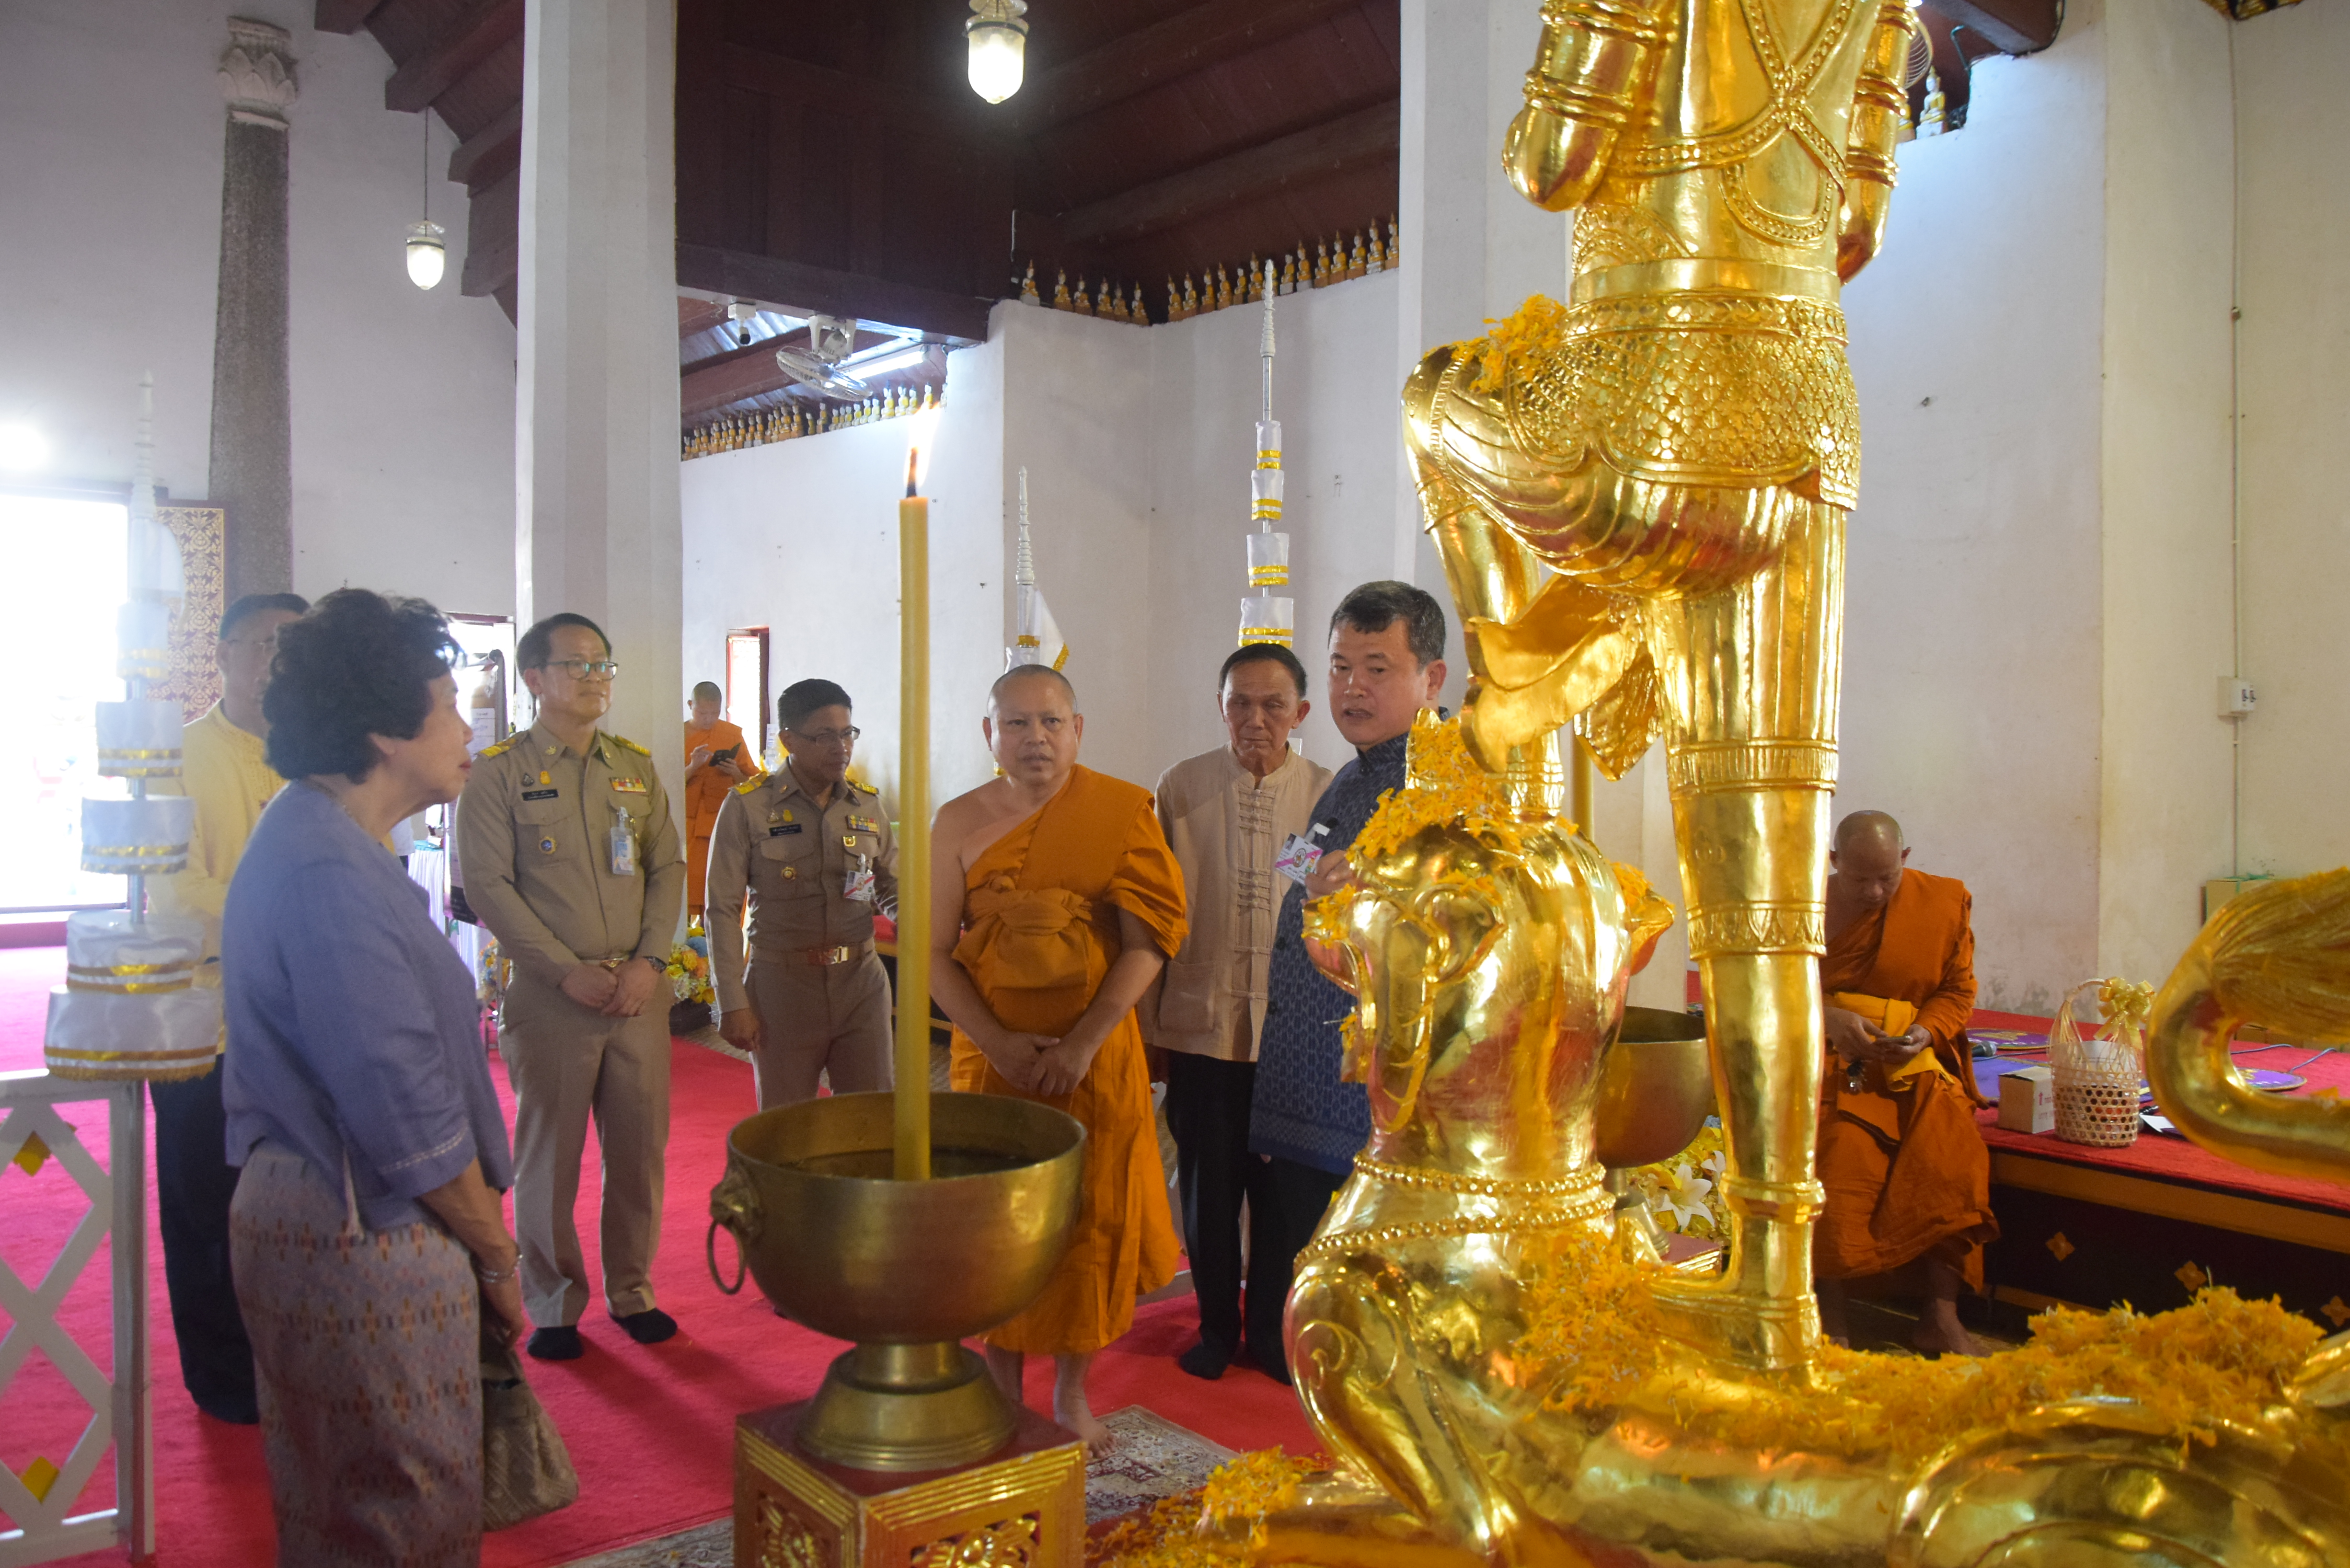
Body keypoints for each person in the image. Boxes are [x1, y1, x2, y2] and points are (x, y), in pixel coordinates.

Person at [221, 589, 524, 1564]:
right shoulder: (324, 865)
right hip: (362, 1228)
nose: (466, 722)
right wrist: (498, 1256)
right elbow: (404, 1108)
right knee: (403, 1508)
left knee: (352, 1502)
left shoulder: (329, 837)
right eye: (446, 700)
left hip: (340, 1215)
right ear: (385, 730)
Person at [931, 664, 1187, 1448]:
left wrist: (1083, 1043)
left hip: (1095, 1055)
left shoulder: (1116, 812)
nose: (1035, 739)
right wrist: (1000, 1045)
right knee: (997, 1226)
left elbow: (1148, 948)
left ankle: (1073, 1395)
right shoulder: (958, 822)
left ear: (1079, 730)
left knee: (1090, 1221)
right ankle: (1003, 1389)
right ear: (990, 736)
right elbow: (936, 954)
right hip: (993, 1058)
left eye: (1050, 722)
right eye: (1016, 724)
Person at [456, 613, 686, 1361]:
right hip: (554, 995)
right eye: (577, 665)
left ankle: (633, 1289)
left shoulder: (635, 767)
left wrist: (652, 961)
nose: (595, 678)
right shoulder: (499, 774)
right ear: (534, 678)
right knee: (550, 1155)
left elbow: (668, 870)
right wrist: (564, 969)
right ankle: (553, 1300)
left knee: (639, 1148)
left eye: (603, 666)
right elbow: (488, 886)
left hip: (638, 993)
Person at [1248, 581, 1447, 1385]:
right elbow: (1308, 869)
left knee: (1349, 1243)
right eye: (1339, 667)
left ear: (1432, 680)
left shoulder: (1441, 788)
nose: (1353, 687)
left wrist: (1369, 892)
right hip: (1303, 1052)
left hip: (1361, 1074)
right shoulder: (1354, 775)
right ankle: (1283, 1353)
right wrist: (1316, 867)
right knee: (1290, 1222)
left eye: (1377, 668)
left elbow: (1450, 917)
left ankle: (1338, 1375)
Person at [143, 591, 305, 1425]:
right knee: (208, 1205)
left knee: (297, 1202)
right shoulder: (177, 755)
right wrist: (291, 913)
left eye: (296, 643)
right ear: (226, 654)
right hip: (201, 1024)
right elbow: (174, 896)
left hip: (304, 1023)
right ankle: (223, 1377)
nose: (281, 657)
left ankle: (296, 1360)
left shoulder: (319, 752)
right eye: (267, 641)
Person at [1149, 644, 1331, 1380]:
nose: (1255, 720)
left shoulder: (1327, 795)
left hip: (1294, 1034)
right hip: (1202, 1026)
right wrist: (1148, 1032)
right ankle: (1217, 1330)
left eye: (1272, 705)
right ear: (1220, 706)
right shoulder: (1181, 787)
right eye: (1240, 704)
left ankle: (1270, 1336)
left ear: (1301, 713)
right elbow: (1154, 917)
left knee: (1286, 1197)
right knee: (1208, 1186)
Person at [1814, 810, 1998, 1357]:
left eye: (1886, 878)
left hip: (1908, 1061)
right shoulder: (1802, 910)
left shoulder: (1939, 903)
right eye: (1857, 879)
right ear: (1831, 863)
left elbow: (1956, 991)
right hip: (1827, 1059)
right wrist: (1828, 1018)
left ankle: (1939, 1316)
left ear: (1905, 860)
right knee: (1840, 1151)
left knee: (1952, 1148)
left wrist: (1924, 1032)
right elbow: (1768, 988)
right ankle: (1828, 1312)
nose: (1873, 892)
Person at [707, 678, 896, 1106]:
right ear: (788, 739)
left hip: (860, 984)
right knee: (786, 1130)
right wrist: (731, 1000)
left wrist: (921, 926)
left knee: (870, 1121)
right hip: (783, 990)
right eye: (824, 736)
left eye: (848, 733)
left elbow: (892, 886)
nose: (841, 747)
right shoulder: (749, 806)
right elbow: (722, 909)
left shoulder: (867, 804)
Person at [683, 679, 754, 919]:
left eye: (714, 713)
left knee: (722, 883)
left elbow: (752, 782)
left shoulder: (731, 734)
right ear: (691, 705)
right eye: (702, 713)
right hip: (688, 823)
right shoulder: (677, 734)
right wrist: (693, 766)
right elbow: (666, 784)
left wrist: (734, 772)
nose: (708, 719)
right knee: (690, 882)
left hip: (723, 821)